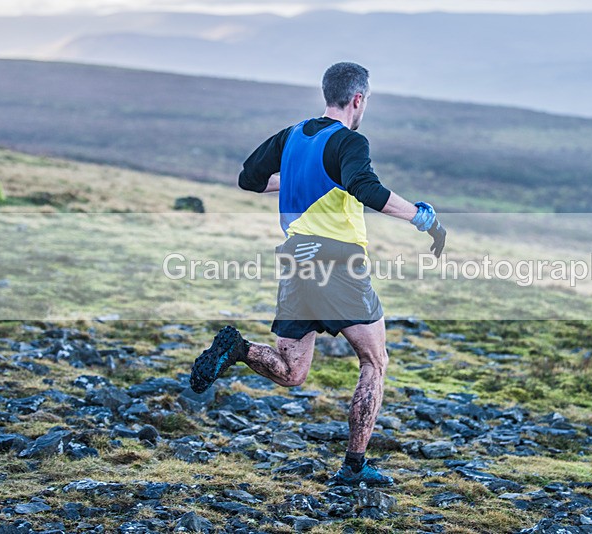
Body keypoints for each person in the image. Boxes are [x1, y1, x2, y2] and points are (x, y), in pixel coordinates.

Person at [189, 62, 446, 487]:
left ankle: (238, 348)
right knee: (374, 361)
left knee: (292, 373)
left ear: (328, 93)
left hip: (295, 262)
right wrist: (421, 216)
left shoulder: (290, 135)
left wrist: (294, 179)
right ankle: (354, 466)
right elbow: (367, 189)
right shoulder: (350, 141)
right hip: (340, 266)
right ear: (358, 99)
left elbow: (248, 179)